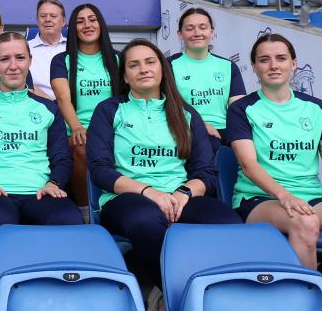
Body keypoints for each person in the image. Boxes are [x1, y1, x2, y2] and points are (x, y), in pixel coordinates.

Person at [88, 39, 240, 306]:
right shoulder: (109, 110)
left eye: (150, 62)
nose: (143, 69)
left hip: (179, 196)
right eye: (134, 65)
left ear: (162, 69)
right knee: (146, 220)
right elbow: (100, 170)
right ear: (125, 76)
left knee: (227, 222)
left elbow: (206, 172)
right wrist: (149, 192)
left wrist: (184, 193)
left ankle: (212, 295)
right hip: (126, 198)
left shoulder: (185, 113)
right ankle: (175, 295)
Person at [0, 32, 82, 272]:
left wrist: (54, 183)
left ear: (30, 60)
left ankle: (45, 284)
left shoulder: (48, 109)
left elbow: (62, 159)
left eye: (20, 58)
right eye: (4, 59)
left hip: (39, 193)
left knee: (68, 219)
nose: (13, 66)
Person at [225, 33, 322, 269]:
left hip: (311, 199)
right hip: (259, 199)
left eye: (281, 58)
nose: (273, 65)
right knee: (305, 221)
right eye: (264, 60)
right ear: (254, 67)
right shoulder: (242, 109)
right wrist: (285, 196)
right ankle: (309, 290)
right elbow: (249, 165)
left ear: (293, 64)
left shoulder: (317, 108)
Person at [51, 3, 120, 207]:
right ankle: (85, 209)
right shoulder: (61, 60)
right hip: (76, 129)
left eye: (92, 20)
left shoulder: (117, 58)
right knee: (82, 144)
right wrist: (77, 127)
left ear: (101, 24)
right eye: (80, 22)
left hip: (111, 129)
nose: (87, 25)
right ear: (73, 28)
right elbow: (62, 98)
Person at [169, 8, 246, 154]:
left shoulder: (228, 66)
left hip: (225, 132)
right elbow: (167, 106)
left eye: (203, 27)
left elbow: (238, 109)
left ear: (212, 32)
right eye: (190, 28)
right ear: (180, 34)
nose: (197, 33)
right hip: (187, 129)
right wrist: (199, 124)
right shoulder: (169, 65)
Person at [26, 0, 67, 99]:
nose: (48, 19)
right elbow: (22, 83)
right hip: (37, 104)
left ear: (63, 21)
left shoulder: (75, 48)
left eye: (53, 16)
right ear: (37, 21)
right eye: (43, 16)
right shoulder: (24, 49)